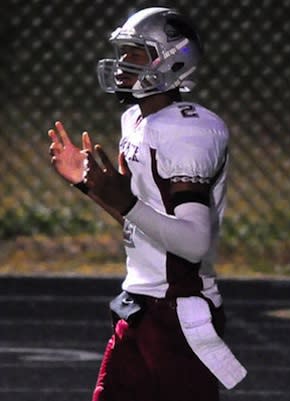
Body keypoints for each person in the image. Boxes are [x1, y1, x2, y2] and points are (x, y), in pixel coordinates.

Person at [48, 7, 246, 401]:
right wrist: (91, 186)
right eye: (123, 53)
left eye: (136, 54)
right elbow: (139, 218)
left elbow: (192, 243)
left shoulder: (190, 129)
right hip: (140, 305)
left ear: (173, 59)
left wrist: (126, 202)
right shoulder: (135, 120)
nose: (123, 64)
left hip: (178, 314)